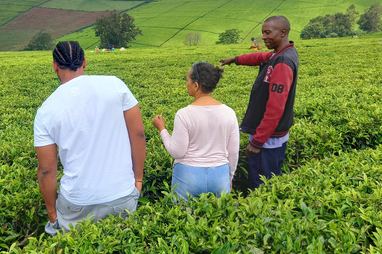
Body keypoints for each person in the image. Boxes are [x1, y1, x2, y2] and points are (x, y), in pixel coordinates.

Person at [34, 41, 146, 236]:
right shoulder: (115, 84)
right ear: (84, 62)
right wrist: (138, 179)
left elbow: (46, 170)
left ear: (54, 66)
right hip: (121, 194)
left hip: (76, 202)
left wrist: (53, 215)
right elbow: (138, 134)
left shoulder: (46, 110)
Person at [220, 15, 298, 190]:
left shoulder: (283, 62)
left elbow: (275, 108)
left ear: (283, 32)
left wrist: (257, 142)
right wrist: (235, 60)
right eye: (263, 33)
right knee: (261, 178)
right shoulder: (279, 54)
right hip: (267, 136)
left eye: (267, 33)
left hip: (269, 139)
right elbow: (260, 57)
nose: (263, 37)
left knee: (262, 183)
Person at [152, 61, 239, 201]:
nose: (186, 84)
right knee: (218, 219)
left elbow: (177, 152)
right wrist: (229, 177)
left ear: (196, 85)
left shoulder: (184, 114)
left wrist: (162, 129)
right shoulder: (229, 112)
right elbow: (233, 152)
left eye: (188, 81)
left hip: (188, 176)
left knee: (182, 218)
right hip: (220, 174)